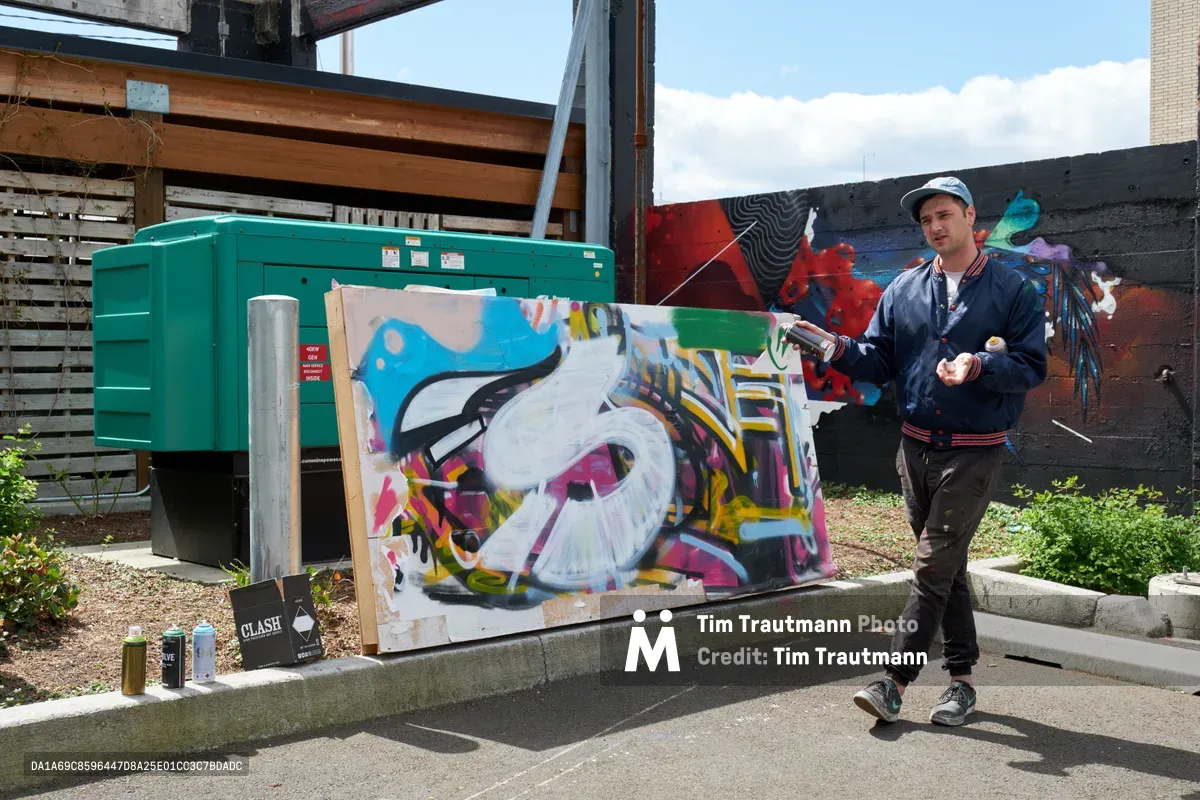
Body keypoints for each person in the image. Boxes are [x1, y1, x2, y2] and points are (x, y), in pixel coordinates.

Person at [792, 176, 1047, 726]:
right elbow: (878, 360)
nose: (935, 226)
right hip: (914, 450)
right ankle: (962, 683)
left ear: (969, 217)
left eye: (944, 215)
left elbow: (1032, 366)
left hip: (973, 451)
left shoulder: (1012, 291)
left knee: (931, 567)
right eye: (927, 219)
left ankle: (893, 681)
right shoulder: (904, 289)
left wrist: (979, 365)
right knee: (947, 570)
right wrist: (834, 346)